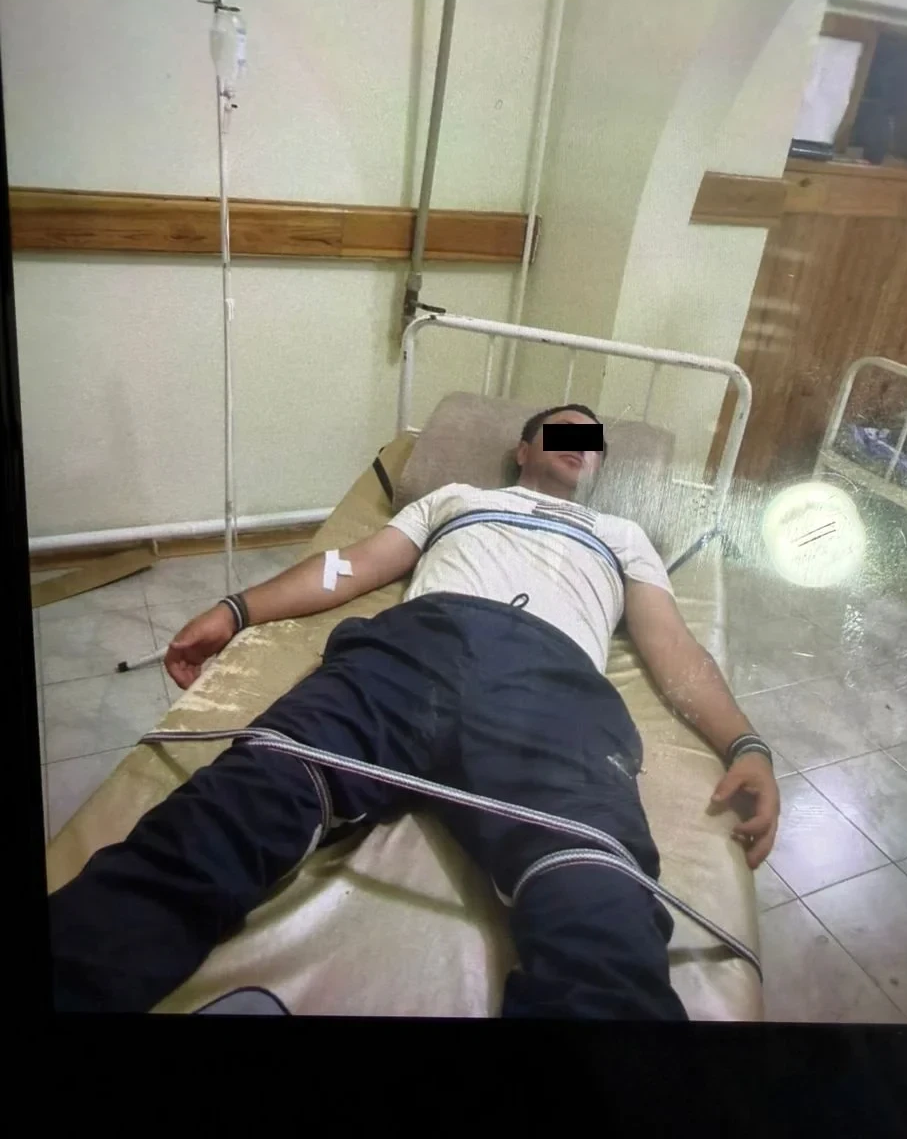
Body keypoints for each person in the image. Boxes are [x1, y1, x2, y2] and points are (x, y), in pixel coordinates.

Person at [48, 404, 780, 1018]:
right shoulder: (458, 498)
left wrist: (745, 744)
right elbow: (350, 566)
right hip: (412, 654)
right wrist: (237, 609)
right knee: (235, 807)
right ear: (524, 449)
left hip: (552, 689)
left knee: (602, 913)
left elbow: (673, 649)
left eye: (592, 442)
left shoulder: (623, 537)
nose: (579, 446)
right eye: (563, 431)